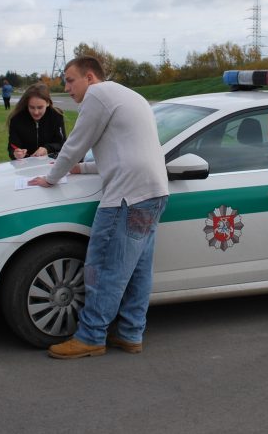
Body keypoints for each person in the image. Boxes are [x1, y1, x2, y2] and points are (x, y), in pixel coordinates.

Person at [30, 56, 168, 359]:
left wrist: (52, 178)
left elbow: (75, 143)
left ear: (89, 77)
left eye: (70, 80)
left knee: (103, 267)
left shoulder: (97, 95)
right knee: (137, 269)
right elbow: (123, 151)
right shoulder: (129, 95)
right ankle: (131, 333)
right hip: (153, 190)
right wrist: (82, 169)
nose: (67, 88)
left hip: (126, 195)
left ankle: (91, 336)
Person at [7, 83, 66, 159]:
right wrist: (16, 153)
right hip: (25, 165)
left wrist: (47, 149)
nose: (36, 112)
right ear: (27, 104)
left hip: (49, 163)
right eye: (31, 107)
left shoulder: (56, 116)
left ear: (48, 103)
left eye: (40, 107)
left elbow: (62, 143)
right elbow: (12, 146)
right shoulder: (17, 118)